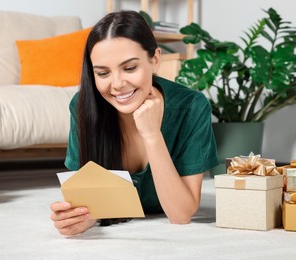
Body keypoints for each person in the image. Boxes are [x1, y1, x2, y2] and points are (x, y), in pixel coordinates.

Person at [50, 10, 219, 236]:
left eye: (130, 68)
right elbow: (90, 204)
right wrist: (82, 218)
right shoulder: (83, 106)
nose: (117, 84)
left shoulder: (192, 107)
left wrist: (151, 134)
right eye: (103, 73)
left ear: (155, 60)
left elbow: (180, 215)